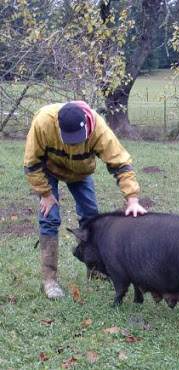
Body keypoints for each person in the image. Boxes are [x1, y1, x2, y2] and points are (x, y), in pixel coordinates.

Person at [23, 101, 147, 299]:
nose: (73, 143)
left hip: (81, 172)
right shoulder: (43, 122)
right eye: (68, 139)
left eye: (77, 139)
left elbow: (121, 163)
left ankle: (95, 269)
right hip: (49, 170)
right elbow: (32, 163)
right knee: (49, 217)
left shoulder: (99, 128)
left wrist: (132, 199)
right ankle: (50, 281)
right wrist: (45, 194)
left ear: (87, 126)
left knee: (91, 217)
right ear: (58, 126)